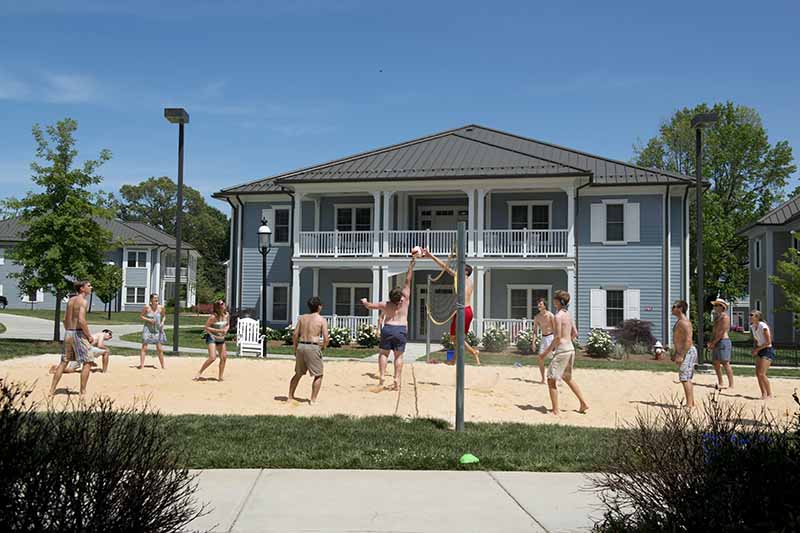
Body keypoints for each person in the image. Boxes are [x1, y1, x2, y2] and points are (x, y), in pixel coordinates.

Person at [361, 255, 416, 390]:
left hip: (388, 328)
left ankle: (382, 376)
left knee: (384, 354)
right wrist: (412, 263)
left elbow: (369, 306)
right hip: (401, 329)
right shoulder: (405, 300)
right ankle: (396, 378)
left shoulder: (385, 304)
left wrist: (364, 301)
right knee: (399, 356)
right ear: (401, 296)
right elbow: (408, 280)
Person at [423, 248, 480, 365]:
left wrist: (431, 256)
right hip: (467, 311)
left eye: (461, 269)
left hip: (462, 310)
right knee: (456, 338)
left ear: (465, 272)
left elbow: (444, 266)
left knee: (456, 338)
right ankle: (454, 360)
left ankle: (473, 352)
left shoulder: (460, 279)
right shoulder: (470, 282)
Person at [538, 290, 588, 415]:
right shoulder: (569, 315)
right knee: (567, 377)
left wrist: (545, 353)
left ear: (558, 301)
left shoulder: (558, 316)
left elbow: (558, 337)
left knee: (550, 379)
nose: (553, 300)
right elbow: (575, 333)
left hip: (563, 351)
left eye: (555, 299)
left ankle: (555, 410)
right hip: (570, 349)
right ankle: (583, 403)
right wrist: (567, 343)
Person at [50, 280, 94, 396]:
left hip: (68, 332)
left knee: (63, 362)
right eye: (89, 286)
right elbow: (81, 320)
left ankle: (52, 390)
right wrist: (88, 336)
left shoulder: (70, 301)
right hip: (78, 334)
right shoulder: (83, 301)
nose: (91, 287)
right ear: (82, 289)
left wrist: (69, 331)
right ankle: (82, 391)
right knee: (88, 362)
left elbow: (65, 320)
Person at [289, 296, 329, 405]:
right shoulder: (321, 320)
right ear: (319, 307)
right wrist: (323, 347)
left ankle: (290, 396)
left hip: (301, 346)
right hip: (313, 346)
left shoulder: (302, 318)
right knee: (318, 374)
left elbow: (295, 334)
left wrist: (295, 347)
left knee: (298, 374)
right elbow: (326, 338)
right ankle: (313, 399)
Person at [193, 300, 230, 382]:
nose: (224, 305)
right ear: (218, 308)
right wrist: (219, 331)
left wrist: (225, 330)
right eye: (222, 305)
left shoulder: (226, 315)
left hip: (221, 338)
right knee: (212, 357)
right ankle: (199, 373)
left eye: (223, 304)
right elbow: (206, 327)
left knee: (224, 357)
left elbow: (227, 325)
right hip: (212, 336)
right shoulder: (213, 317)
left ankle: (220, 377)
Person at [671, 300, 696, 408]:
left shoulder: (684, 322)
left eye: (674, 306)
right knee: (685, 377)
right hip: (683, 351)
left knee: (685, 378)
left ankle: (689, 404)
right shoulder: (680, 321)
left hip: (687, 352)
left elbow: (688, 340)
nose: (672, 308)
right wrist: (676, 352)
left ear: (680, 308)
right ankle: (691, 402)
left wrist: (681, 355)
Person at [708, 298, 734, 389]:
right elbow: (714, 331)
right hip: (716, 341)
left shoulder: (725, 317)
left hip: (723, 341)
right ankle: (721, 382)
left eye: (716, 305)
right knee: (716, 363)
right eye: (714, 305)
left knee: (725, 363)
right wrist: (711, 341)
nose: (714, 307)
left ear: (721, 307)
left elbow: (722, 332)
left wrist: (714, 342)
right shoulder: (717, 317)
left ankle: (731, 384)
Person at [750, 310, 774, 400]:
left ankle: (769, 394)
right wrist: (755, 349)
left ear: (757, 317)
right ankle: (763, 394)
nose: (750, 316)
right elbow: (756, 340)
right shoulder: (752, 327)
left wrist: (757, 349)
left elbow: (768, 342)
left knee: (762, 374)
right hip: (760, 349)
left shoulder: (763, 326)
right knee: (758, 373)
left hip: (767, 350)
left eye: (752, 315)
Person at [532, 298, 556, 384]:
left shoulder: (550, 315)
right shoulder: (537, 317)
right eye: (538, 304)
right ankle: (543, 379)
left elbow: (555, 329)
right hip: (543, 338)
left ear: (544, 306)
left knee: (553, 359)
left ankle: (555, 378)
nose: (539, 305)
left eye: (540, 304)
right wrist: (533, 342)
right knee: (540, 358)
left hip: (551, 337)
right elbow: (535, 331)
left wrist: (556, 342)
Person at [140, 294, 166, 369]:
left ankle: (162, 366)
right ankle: (142, 366)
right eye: (155, 298)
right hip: (147, 329)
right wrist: (149, 320)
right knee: (144, 347)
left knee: (159, 348)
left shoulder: (161, 307)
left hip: (157, 329)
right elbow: (141, 316)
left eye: (157, 298)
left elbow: (164, 316)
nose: (156, 299)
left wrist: (162, 322)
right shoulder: (147, 307)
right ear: (151, 300)